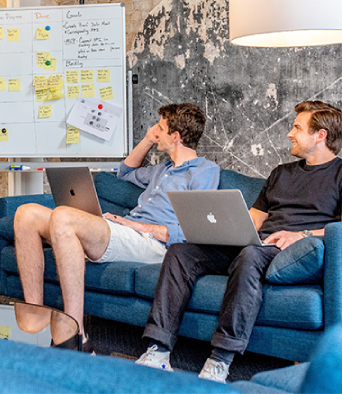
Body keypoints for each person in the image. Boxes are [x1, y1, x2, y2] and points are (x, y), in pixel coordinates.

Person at [136, 100, 342, 382]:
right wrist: (227, 228)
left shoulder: (339, 175)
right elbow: (255, 218)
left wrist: (302, 235)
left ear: (321, 135)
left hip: (294, 251)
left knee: (250, 256)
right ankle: (157, 351)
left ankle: (220, 359)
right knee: (181, 252)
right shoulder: (281, 173)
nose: (289, 134)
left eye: (297, 127)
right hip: (258, 244)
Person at [14, 103, 220, 348]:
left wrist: (139, 226)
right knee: (26, 214)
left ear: (175, 137)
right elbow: (125, 172)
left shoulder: (204, 172)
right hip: (128, 233)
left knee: (63, 217)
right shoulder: (162, 170)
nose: (155, 130)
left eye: (160, 128)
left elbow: (194, 230)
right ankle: (36, 309)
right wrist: (146, 140)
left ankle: (76, 333)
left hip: (153, 245)